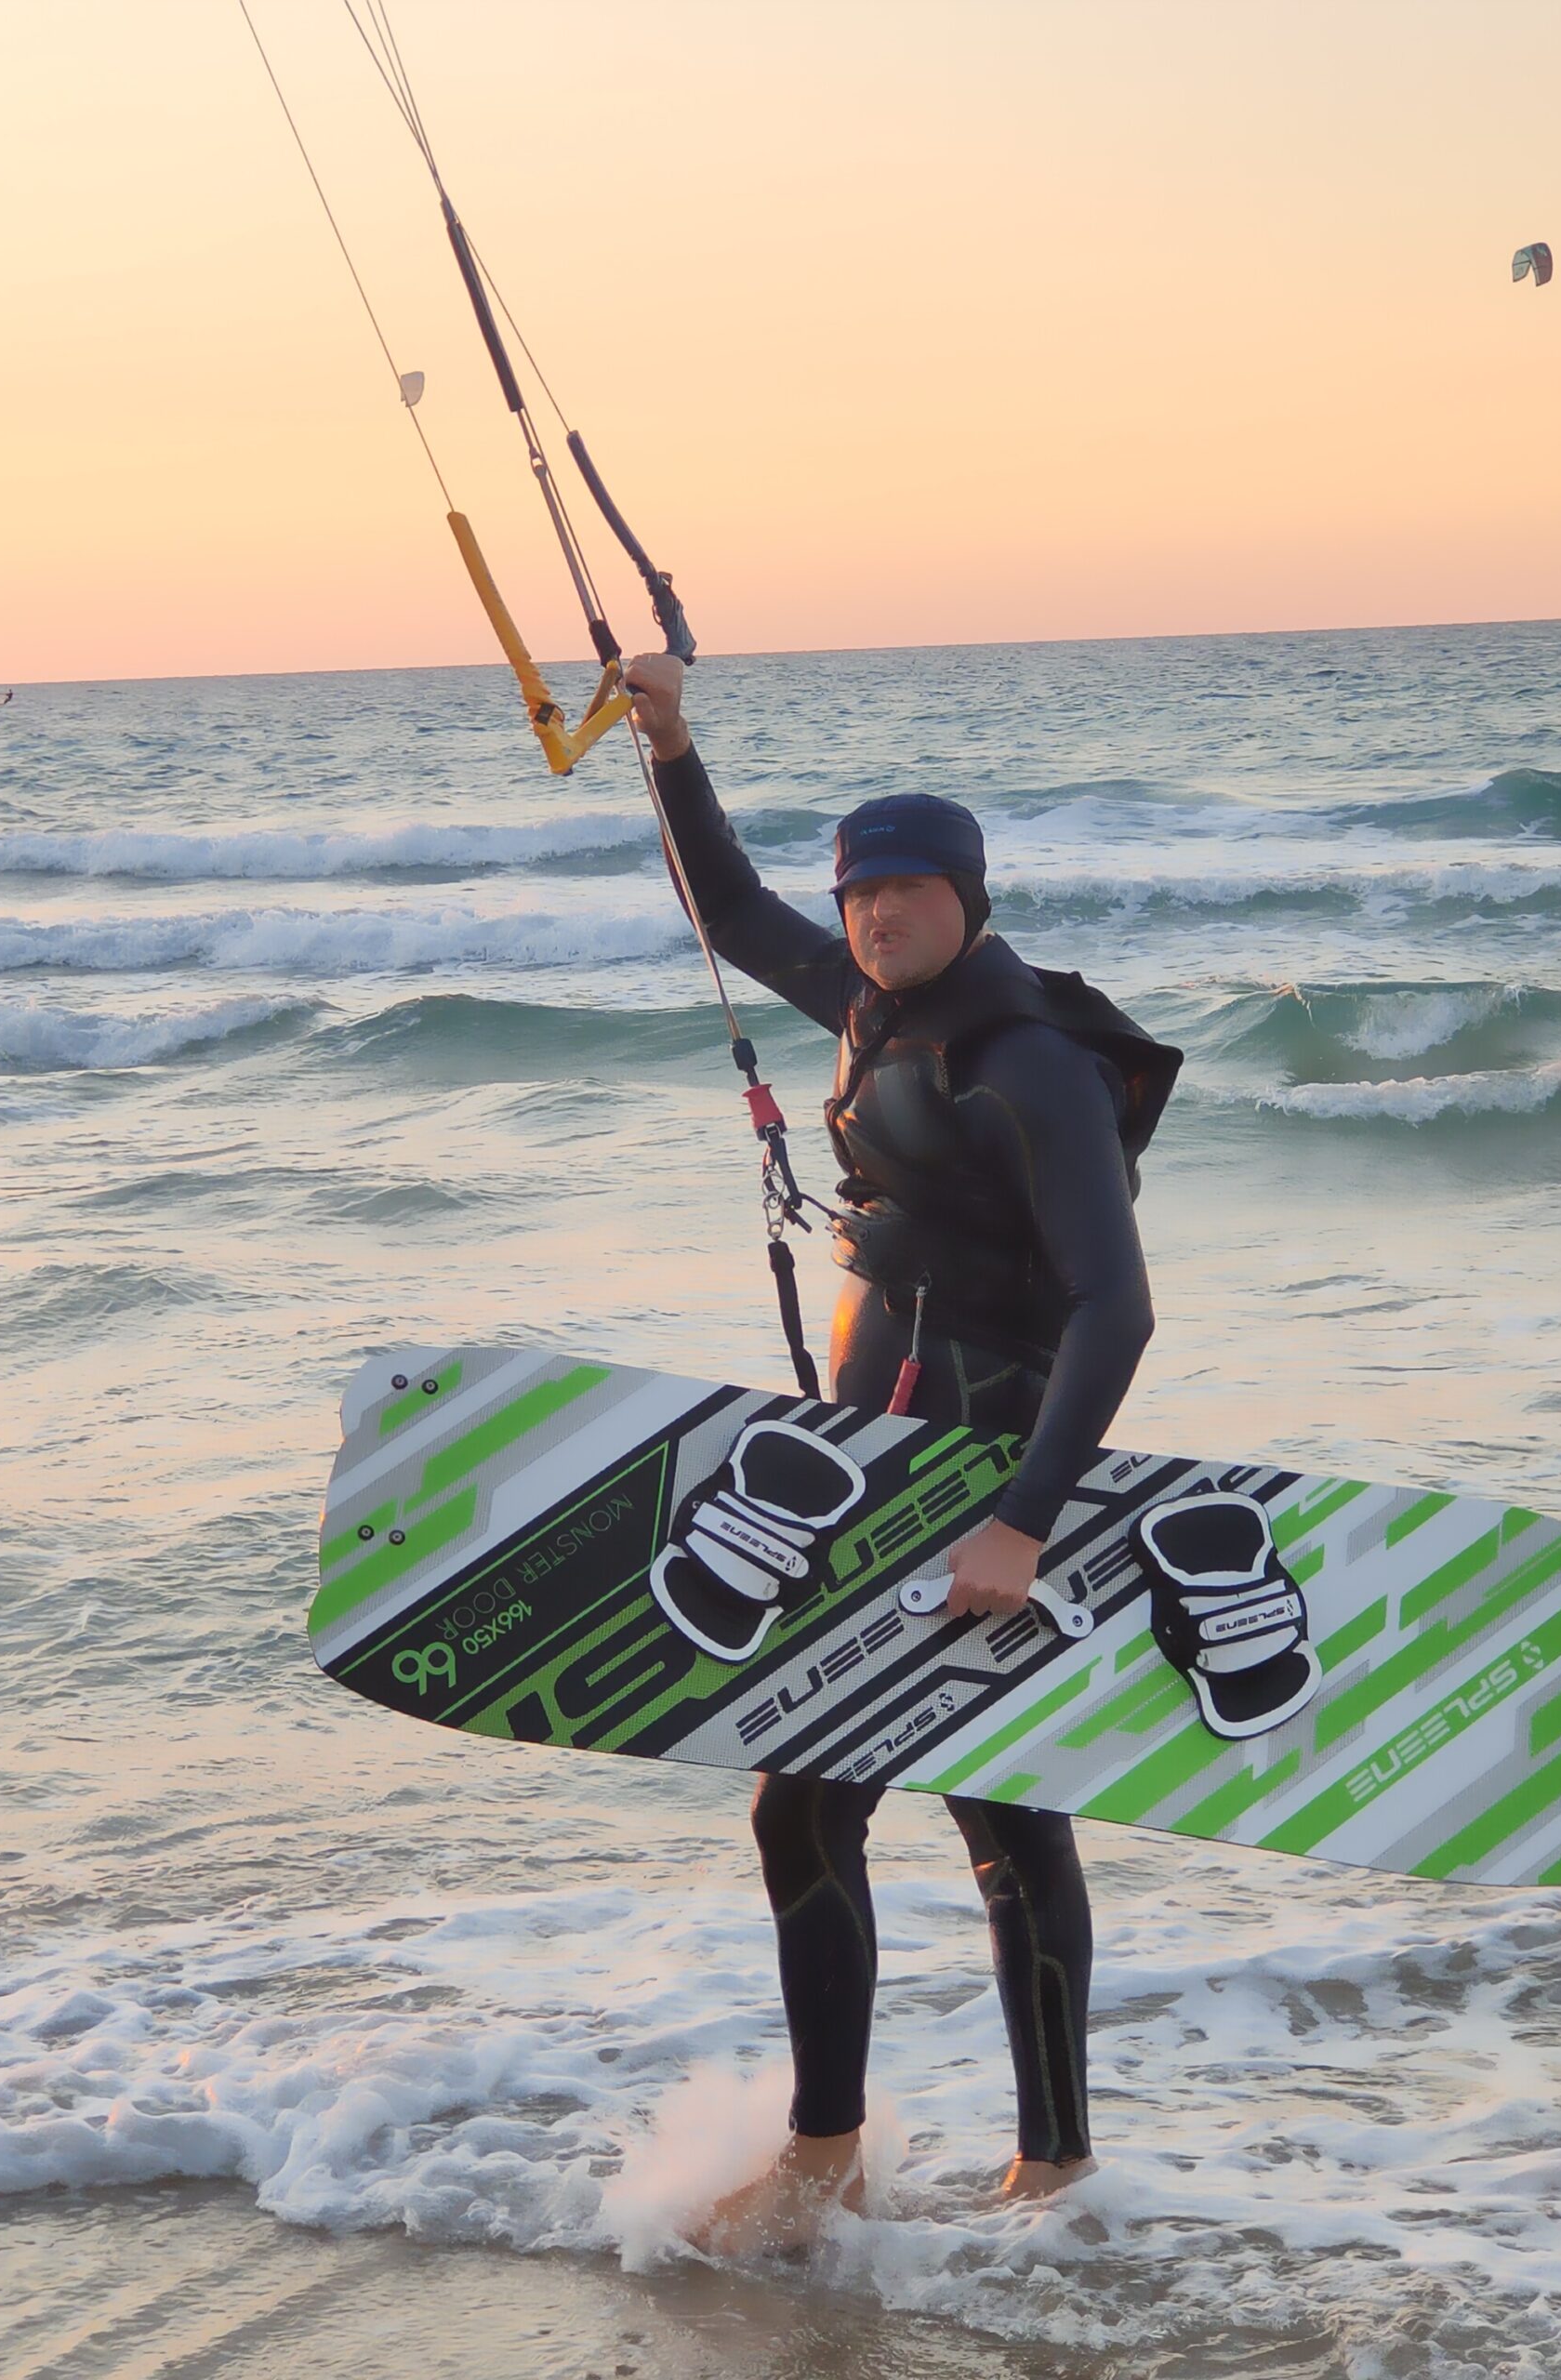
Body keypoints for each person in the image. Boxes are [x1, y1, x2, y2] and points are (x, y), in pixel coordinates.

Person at [623, 654, 1180, 2253]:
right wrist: (670, 746)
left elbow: (1117, 1312)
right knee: (813, 1805)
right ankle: (843, 2154)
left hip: (984, 1479)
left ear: (971, 897)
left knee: (998, 1814)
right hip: (869, 1470)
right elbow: (728, 909)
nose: (877, 918)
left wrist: (1019, 1520)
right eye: (863, 894)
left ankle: (1045, 2168)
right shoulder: (877, 1008)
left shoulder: (1030, 1066)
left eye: (910, 893)